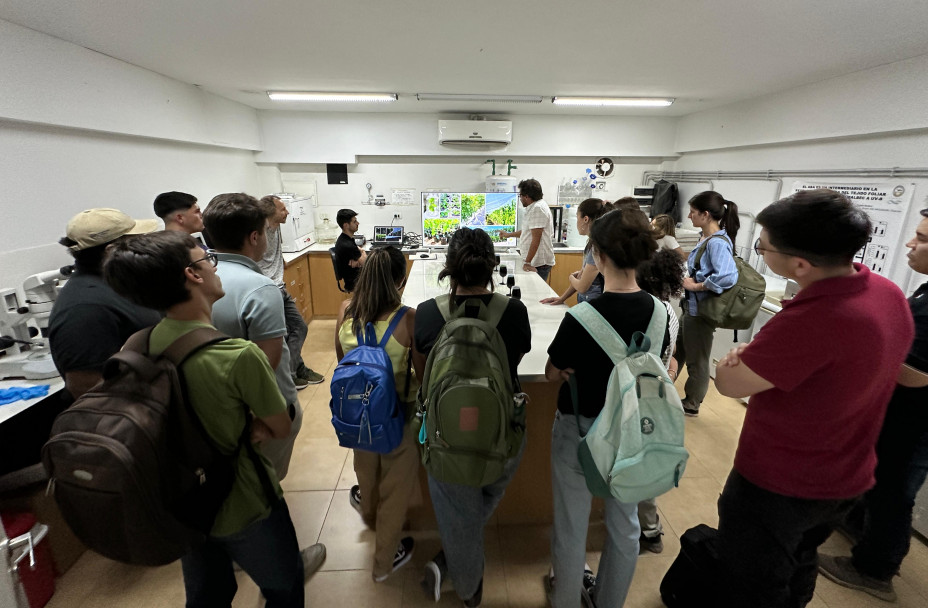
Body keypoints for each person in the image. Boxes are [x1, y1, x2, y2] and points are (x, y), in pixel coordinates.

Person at [712, 189, 913, 608]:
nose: (761, 252)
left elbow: (730, 385)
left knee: (754, 581)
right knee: (801, 560)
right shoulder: (886, 292)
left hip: (782, 483)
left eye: (763, 247)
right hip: (847, 474)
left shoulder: (816, 319)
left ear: (799, 263)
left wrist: (738, 357)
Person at [103, 230, 321, 607]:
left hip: (182, 500)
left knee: (207, 594)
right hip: (243, 501)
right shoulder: (237, 355)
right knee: (284, 585)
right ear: (194, 275)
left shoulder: (136, 345)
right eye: (208, 260)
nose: (215, 267)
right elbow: (280, 426)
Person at [544, 208, 668, 608]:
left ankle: (564, 599)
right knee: (624, 524)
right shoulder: (660, 311)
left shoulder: (582, 315)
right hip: (634, 433)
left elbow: (551, 373)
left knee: (571, 526)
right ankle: (608, 601)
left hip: (579, 430)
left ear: (597, 254)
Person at [415, 228, 531, 607]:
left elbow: (422, 364)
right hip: (503, 433)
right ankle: (458, 559)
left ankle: (468, 589)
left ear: (449, 267)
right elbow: (519, 357)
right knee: (487, 493)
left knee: (457, 512)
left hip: (447, 437)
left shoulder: (429, 313)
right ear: (492, 266)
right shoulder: (513, 312)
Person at [817, 207, 928, 602]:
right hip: (897, 415)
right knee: (879, 481)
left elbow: (917, 373)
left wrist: (862, 350)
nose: (912, 244)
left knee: (895, 492)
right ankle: (860, 529)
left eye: (923, 238)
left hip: (914, 422)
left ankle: (875, 568)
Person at [335, 246, 423, 583]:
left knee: (367, 473)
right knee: (395, 492)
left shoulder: (346, 311)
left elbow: (342, 358)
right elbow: (421, 375)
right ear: (401, 280)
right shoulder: (409, 319)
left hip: (357, 416)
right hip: (399, 416)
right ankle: (384, 562)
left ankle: (367, 510)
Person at [202, 193, 303, 480]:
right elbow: (264, 366)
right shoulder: (260, 288)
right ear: (256, 237)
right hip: (261, 413)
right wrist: (264, 418)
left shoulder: (203, 276)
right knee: (264, 483)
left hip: (221, 408)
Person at [48, 208, 161, 401]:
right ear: (111, 251)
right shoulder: (85, 309)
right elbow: (87, 388)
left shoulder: (116, 285)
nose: (145, 247)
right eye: (137, 242)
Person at [634, 248, 685, 554]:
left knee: (639, 464)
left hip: (645, 398)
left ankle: (649, 531)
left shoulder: (649, 311)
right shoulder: (668, 309)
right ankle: (649, 527)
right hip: (658, 394)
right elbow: (672, 357)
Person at [675, 191, 740, 416]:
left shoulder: (717, 243)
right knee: (677, 351)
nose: (690, 216)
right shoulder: (705, 238)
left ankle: (692, 403)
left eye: (693, 212)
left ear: (705, 214)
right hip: (690, 308)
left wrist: (697, 285)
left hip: (701, 311)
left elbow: (727, 276)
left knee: (698, 360)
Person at [257, 195, 324, 389]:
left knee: (298, 328)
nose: (287, 212)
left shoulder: (277, 228)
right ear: (270, 212)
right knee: (284, 334)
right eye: (283, 209)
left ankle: (295, 368)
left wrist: (281, 261)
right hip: (268, 290)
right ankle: (290, 374)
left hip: (280, 286)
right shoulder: (258, 232)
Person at [540, 198, 613, 306]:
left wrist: (571, 277)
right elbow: (582, 277)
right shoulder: (592, 244)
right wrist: (562, 298)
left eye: (577, 216)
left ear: (585, 219)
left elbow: (582, 287)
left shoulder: (597, 247)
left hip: (593, 305)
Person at [499, 178, 555, 281]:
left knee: (536, 294)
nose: (520, 199)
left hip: (538, 263)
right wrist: (508, 235)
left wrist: (528, 262)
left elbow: (536, 239)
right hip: (534, 262)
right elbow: (527, 232)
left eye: (520, 196)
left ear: (527, 196)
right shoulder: (534, 207)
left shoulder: (538, 209)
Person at [334, 208, 366, 292]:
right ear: (346, 225)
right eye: (354, 221)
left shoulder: (344, 239)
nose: (358, 223)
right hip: (356, 282)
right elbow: (366, 264)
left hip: (355, 277)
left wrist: (358, 261)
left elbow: (360, 261)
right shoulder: (347, 245)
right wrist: (362, 251)